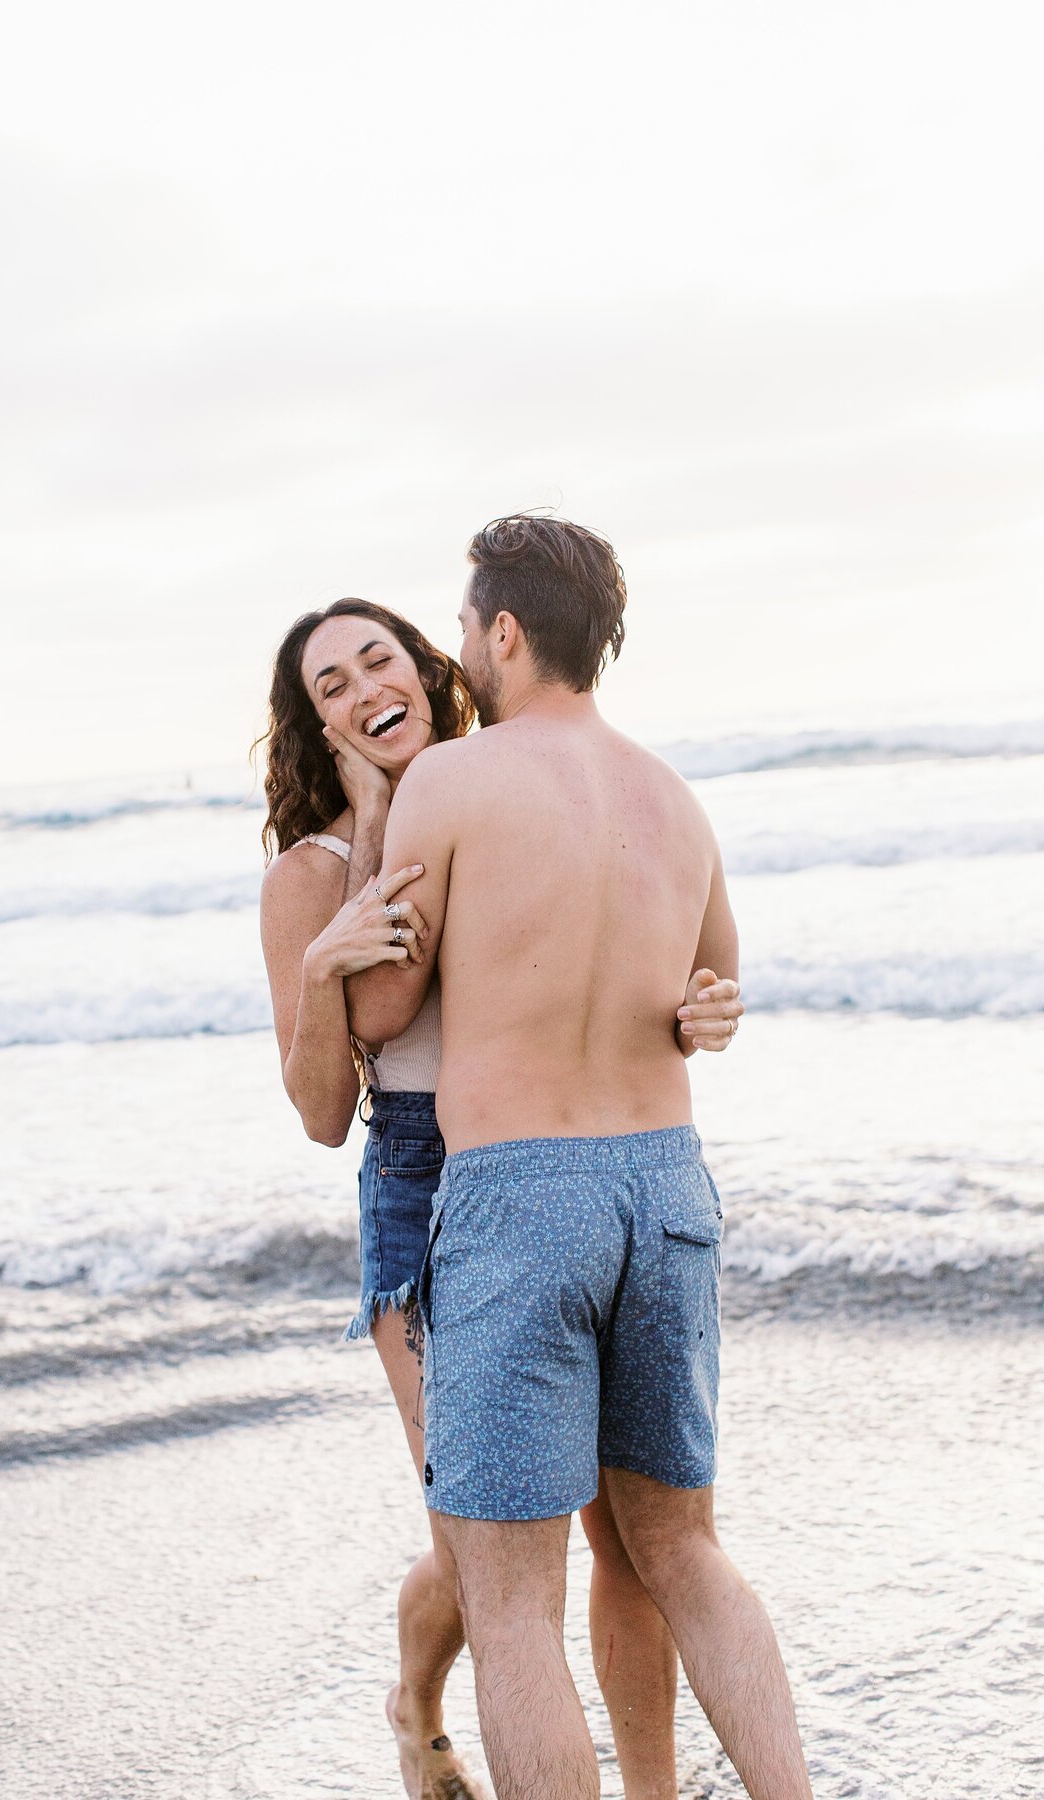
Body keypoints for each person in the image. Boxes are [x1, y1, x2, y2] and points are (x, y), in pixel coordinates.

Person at [347, 518, 813, 1800]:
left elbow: (383, 1013)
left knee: (511, 1605)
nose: (454, 650)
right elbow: (713, 993)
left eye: (462, 627)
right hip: (666, 1183)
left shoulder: (453, 782)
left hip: (520, 1194)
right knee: (684, 1551)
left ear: (504, 632)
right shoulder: (675, 795)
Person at [257, 596, 745, 1800]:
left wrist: (705, 1000)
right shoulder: (308, 873)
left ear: (433, 668)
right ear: (315, 728)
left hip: (548, 1163)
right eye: (331, 685)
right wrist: (342, 908)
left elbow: (628, 942)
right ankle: (417, 1711)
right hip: (421, 1178)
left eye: (381, 658)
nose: (366, 687)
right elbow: (322, 1111)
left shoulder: (495, 787)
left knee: (622, 1538)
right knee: (478, 1554)